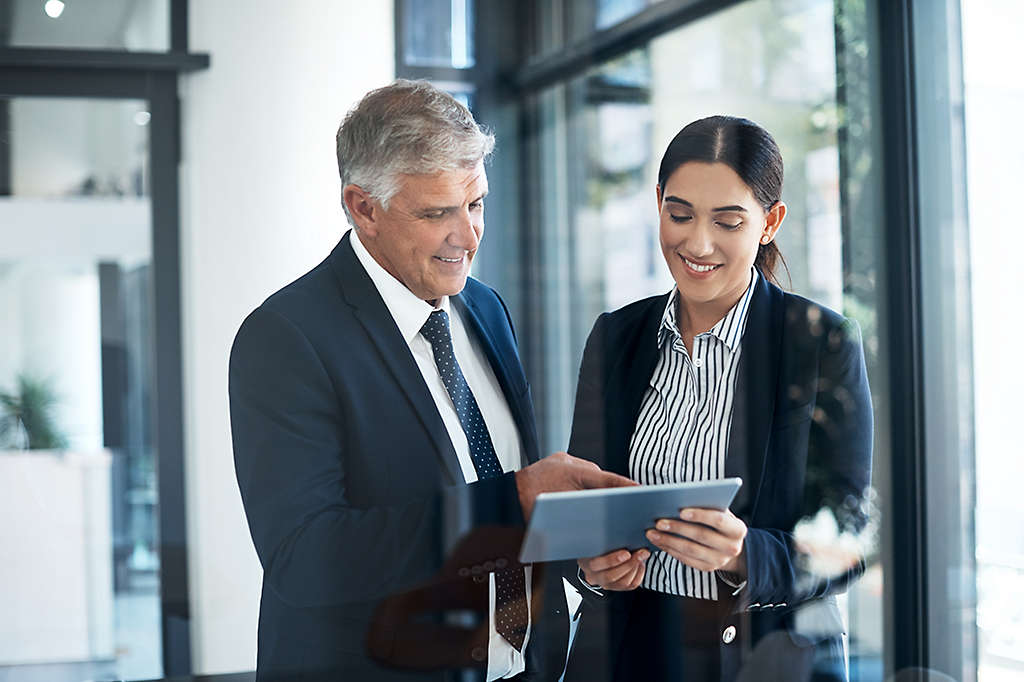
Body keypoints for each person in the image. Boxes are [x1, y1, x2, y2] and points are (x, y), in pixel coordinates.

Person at [228, 79, 633, 682]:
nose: (468, 237)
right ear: (363, 207)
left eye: (475, 204)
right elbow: (306, 557)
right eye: (437, 212)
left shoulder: (486, 309)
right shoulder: (286, 338)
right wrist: (516, 500)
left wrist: (580, 554)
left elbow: (490, 489)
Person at [564, 116, 874, 681]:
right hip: (627, 649)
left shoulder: (820, 344)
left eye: (727, 221)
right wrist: (590, 565)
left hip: (759, 652)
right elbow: (581, 506)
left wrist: (743, 555)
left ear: (769, 222)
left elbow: (848, 535)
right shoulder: (616, 338)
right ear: (657, 203)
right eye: (678, 215)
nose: (697, 243)